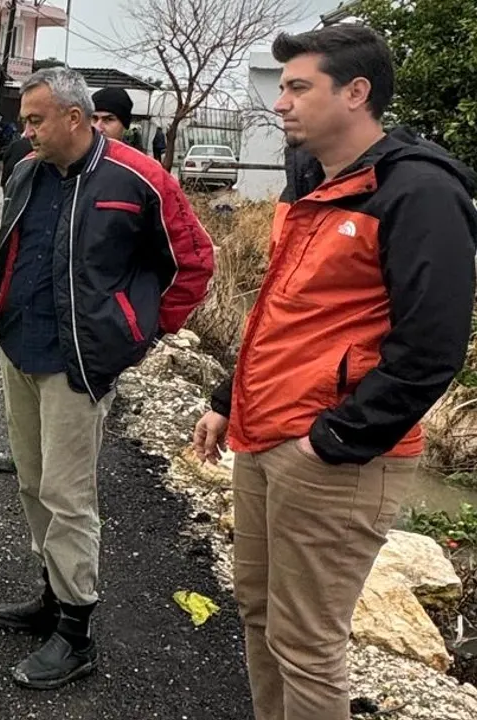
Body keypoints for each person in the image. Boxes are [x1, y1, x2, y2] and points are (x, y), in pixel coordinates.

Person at [192, 25, 477, 720]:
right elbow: (283, 311)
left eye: (298, 87)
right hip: (265, 434)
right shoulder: (315, 182)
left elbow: (432, 346)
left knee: (308, 644)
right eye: (282, 87)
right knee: (260, 612)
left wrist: (335, 439)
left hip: (334, 459)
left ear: (356, 93)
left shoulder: (417, 192)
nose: (280, 103)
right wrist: (228, 398)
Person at [0, 67, 213, 691]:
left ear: (73, 118)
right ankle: (52, 597)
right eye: (24, 121)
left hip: (78, 362)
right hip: (20, 350)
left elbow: (192, 262)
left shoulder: (138, 178)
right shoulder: (27, 172)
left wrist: (140, 331)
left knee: (68, 495)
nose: (25, 132)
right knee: (31, 480)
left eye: (35, 120)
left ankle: (76, 634)